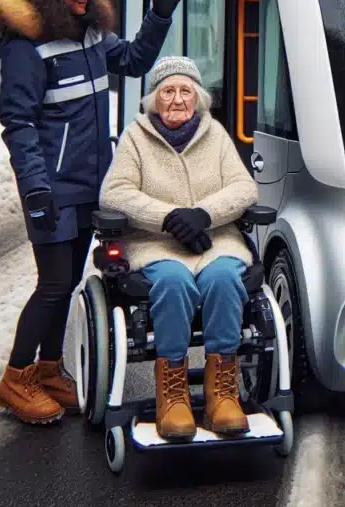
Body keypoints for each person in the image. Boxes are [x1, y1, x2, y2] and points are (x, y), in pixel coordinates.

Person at [0, 0, 187, 425]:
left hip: (89, 187)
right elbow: (18, 122)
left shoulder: (92, 36)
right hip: (51, 189)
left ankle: (50, 368)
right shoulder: (26, 46)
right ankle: (16, 378)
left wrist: (159, 16)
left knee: (73, 279)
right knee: (52, 284)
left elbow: (137, 61)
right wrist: (35, 187)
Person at [99, 56, 259, 440]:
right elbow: (114, 193)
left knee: (223, 278)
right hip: (157, 244)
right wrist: (170, 218)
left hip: (214, 239)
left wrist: (203, 215)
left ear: (197, 97)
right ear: (154, 99)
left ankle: (222, 392)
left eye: (185, 91)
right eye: (168, 91)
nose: (176, 99)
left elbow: (244, 188)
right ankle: (172, 394)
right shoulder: (135, 138)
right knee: (173, 282)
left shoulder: (216, 134)